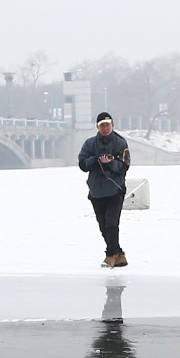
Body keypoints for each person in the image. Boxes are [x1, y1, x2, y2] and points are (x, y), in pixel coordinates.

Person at [78, 112, 131, 268]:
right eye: (102, 125)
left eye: (108, 125)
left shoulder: (120, 143)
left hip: (115, 190)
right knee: (103, 226)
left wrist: (110, 163)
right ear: (97, 127)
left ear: (113, 125)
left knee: (111, 224)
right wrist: (96, 160)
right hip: (96, 191)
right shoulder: (89, 144)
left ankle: (110, 255)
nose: (105, 128)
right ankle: (119, 254)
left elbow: (124, 166)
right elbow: (82, 164)